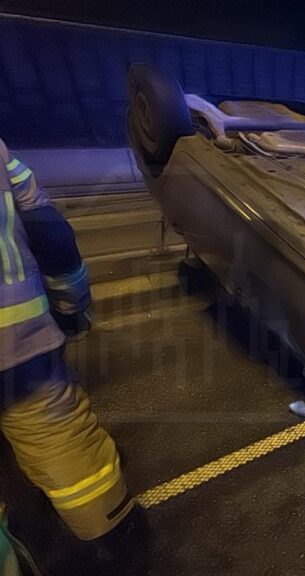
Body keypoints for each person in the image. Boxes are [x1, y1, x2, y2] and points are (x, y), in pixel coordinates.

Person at [0, 138, 139, 554]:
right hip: (16, 340)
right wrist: (71, 306)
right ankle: (115, 542)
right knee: (58, 437)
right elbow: (51, 232)